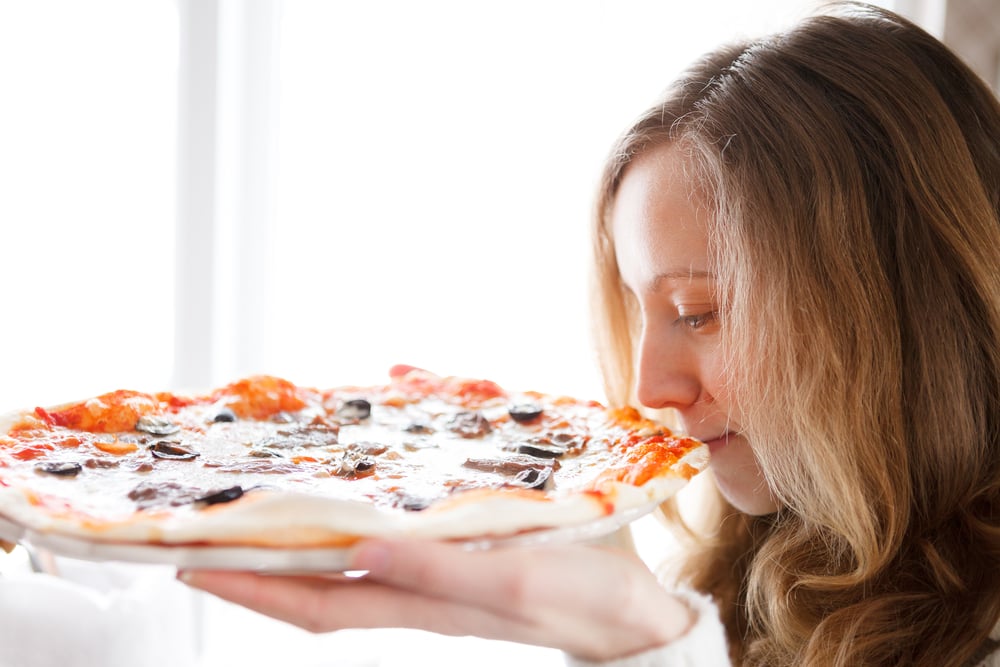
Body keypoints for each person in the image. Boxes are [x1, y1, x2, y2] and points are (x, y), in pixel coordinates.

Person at [179, 3, 1000, 665]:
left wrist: (650, 645)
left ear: (895, 309)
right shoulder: (737, 582)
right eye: (642, 313)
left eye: (701, 313)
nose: (650, 389)